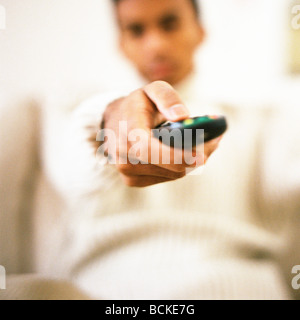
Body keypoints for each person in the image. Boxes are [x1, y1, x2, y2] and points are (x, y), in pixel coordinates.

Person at [39, 0, 295, 299]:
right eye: (136, 30)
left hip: (238, 285)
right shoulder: (76, 108)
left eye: (169, 24)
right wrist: (109, 123)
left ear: (199, 31)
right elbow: (70, 171)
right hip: (107, 290)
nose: (156, 45)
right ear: (122, 43)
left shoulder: (259, 122)